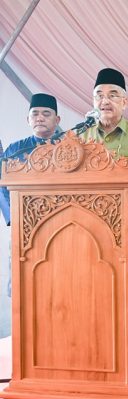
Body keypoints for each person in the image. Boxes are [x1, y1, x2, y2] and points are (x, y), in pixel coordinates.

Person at [0, 93, 60, 296]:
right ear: (28, 119)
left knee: (58, 280)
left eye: (46, 113)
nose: (40, 118)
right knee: (23, 285)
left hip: (59, 225)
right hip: (23, 226)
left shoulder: (70, 148)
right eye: (35, 114)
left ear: (57, 119)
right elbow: (2, 184)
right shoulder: (15, 150)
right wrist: (13, 217)